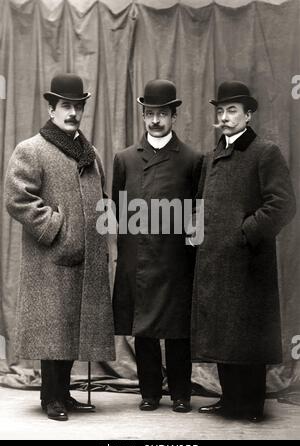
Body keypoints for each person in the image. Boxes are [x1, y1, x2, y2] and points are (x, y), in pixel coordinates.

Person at [5, 73, 115, 421]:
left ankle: (64, 394)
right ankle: (50, 397)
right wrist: (58, 227)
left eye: (78, 106)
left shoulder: (89, 151)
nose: (73, 113)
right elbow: (16, 198)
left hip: (86, 256)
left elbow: (103, 197)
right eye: (66, 106)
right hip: (51, 258)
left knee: (72, 328)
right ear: (51, 108)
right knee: (52, 330)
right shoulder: (31, 149)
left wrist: (102, 230)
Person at [191, 80, 296, 422]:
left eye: (232, 111)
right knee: (223, 335)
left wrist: (245, 233)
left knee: (247, 337)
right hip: (215, 260)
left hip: (249, 263)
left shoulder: (265, 152)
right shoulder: (212, 157)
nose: (224, 117)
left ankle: (250, 405)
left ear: (248, 114)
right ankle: (229, 399)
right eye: (220, 111)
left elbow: (282, 204)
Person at [112, 79, 202, 413]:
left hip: (177, 259)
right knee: (144, 329)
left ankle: (181, 392)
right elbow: (118, 212)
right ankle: (149, 391)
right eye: (149, 113)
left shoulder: (193, 159)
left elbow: (198, 211)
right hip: (138, 259)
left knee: (178, 330)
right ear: (143, 114)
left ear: (173, 115)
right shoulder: (125, 159)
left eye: (162, 113)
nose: (155, 120)